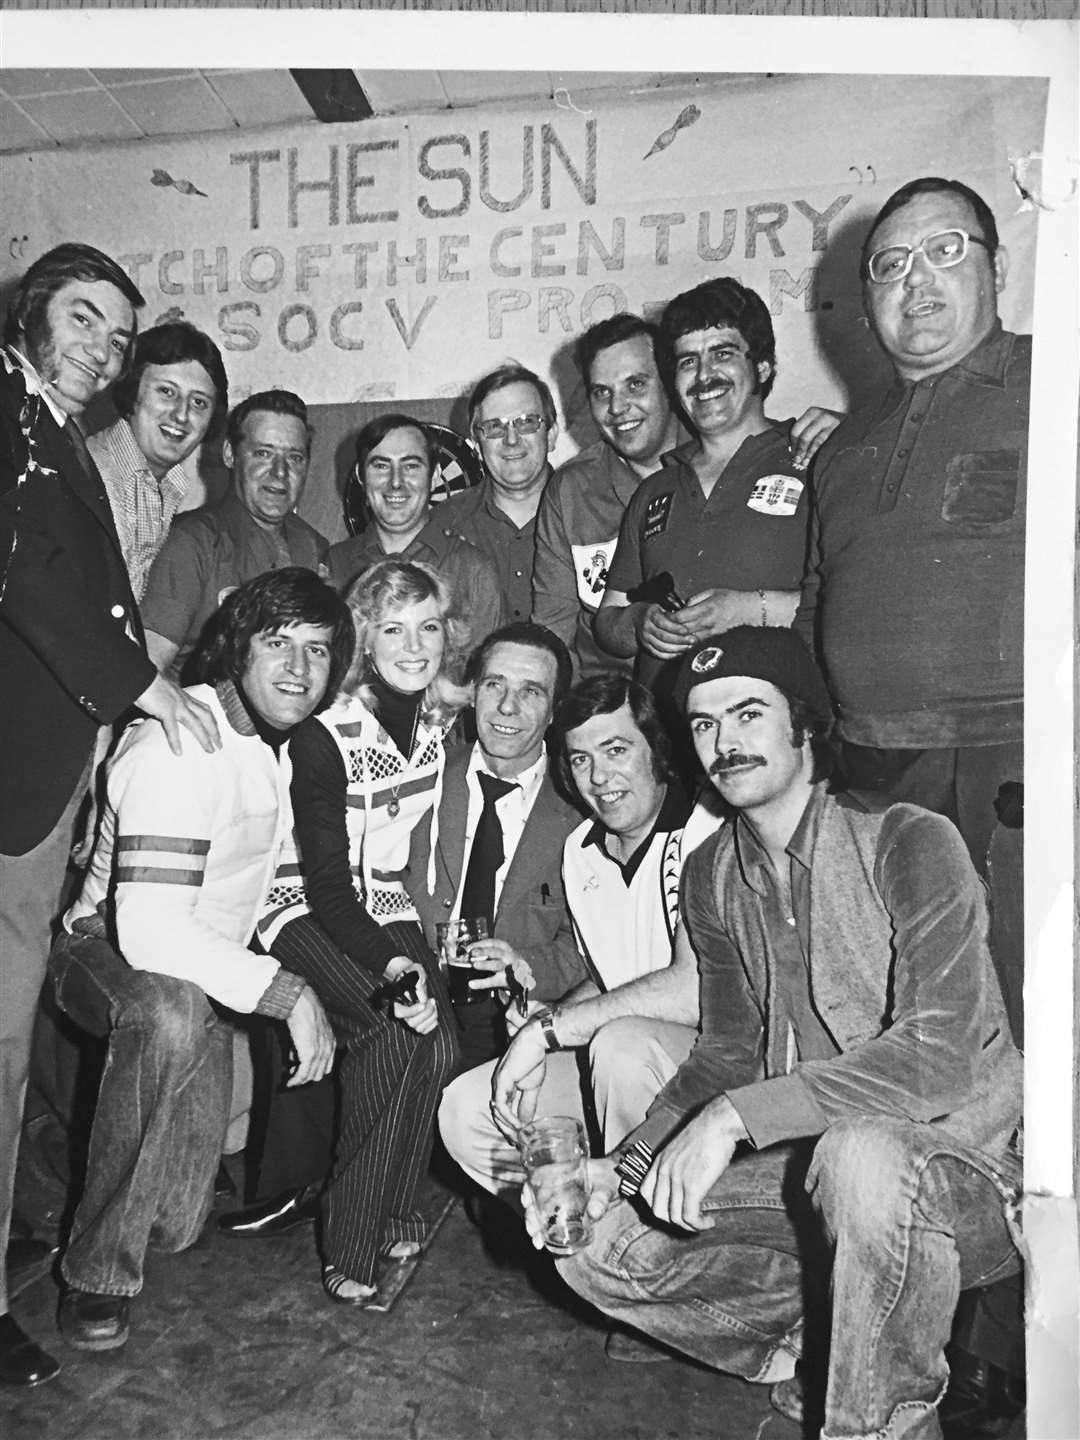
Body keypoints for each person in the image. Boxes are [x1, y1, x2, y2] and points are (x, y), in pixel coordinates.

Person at [521, 627, 1022, 1439]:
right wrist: (626, 1162)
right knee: (591, 1241)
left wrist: (733, 1119)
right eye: (705, 724)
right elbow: (724, 1049)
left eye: (748, 714)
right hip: (810, 1165)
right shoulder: (716, 872)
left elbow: (939, 1055)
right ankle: (816, 1343)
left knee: (858, 1156)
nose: (725, 742)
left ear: (806, 727)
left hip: (969, 1164)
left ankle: (878, 1425)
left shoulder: (908, 839)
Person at [794, 177, 1028, 1434]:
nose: (916, 283)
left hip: (1010, 774)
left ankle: (1004, 1345)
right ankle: (913, 1335)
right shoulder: (847, 446)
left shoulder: (1054, 384)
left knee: (1010, 1066)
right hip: (873, 788)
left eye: (944, 253)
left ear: (994, 263)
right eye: (889, 266)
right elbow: (824, 606)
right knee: (898, 1060)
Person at [0, 242, 219, 1388]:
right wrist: (144, 681)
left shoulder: (52, 433)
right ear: (35, 314)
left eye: (115, 335)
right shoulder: (12, 415)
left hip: (47, 786)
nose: (100, 347)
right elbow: (29, 574)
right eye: (83, 320)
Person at [48, 568, 351, 1352]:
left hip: (195, 975)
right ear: (234, 650)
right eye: (276, 643)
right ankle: (95, 1275)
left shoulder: (270, 745)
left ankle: (101, 1177)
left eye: (317, 650)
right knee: (169, 1011)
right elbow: (148, 933)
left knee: (180, 1224)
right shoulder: (182, 743)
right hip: (104, 953)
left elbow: (270, 886)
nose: (297, 668)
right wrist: (287, 993)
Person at [440, 675, 722, 1244]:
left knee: (620, 1044)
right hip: (628, 1056)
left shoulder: (706, 830)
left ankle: (654, 1250)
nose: (599, 777)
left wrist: (549, 1032)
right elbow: (609, 976)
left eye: (617, 750)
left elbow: (692, 992)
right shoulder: (582, 849)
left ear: (657, 751)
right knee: (469, 1107)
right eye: (580, 759)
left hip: (720, 1066)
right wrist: (546, 1014)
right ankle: (588, 1234)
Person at [253, 560, 464, 1302]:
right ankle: (349, 1233)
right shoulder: (324, 734)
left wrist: (422, 954)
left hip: (383, 905)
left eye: (428, 626)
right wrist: (397, 971)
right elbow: (327, 889)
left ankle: (396, 1202)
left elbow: (407, 863)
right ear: (364, 638)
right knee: (387, 1029)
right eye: (393, 628)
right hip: (298, 906)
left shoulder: (437, 723)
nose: (414, 646)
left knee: (439, 1042)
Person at [594, 279, 837, 688]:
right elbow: (609, 621)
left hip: (780, 731)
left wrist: (749, 610)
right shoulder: (655, 490)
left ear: (762, 366)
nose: (704, 375)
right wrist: (639, 622)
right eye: (687, 361)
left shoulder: (818, 458)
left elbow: (857, 603)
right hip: (669, 739)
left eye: (722, 354)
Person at [406, 621, 587, 1070]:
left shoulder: (583, 807)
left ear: (554, 710)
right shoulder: (420, 775)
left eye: (530, 692)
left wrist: (523, 964)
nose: (507, 706)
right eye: (494, 685)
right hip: (412, 1000)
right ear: (473, 692)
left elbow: (587, 948)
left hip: (514, 1017)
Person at [141, 388, 329, 680]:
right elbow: (147, 672)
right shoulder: (192, 542)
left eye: (294, 458)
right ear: (230, 454)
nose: (279, 472)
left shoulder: (313, 545)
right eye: (263, 453)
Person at [327, 412, 504, 660]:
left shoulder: (472, 570)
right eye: (381, 466)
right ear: (361, 477)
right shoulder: (335, 566)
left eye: (411, 466)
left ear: (433, 478)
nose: (396, 482)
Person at [88, 320, 229, 600]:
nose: (181, 414)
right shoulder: (92, 473)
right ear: (132, 392)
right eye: (167, 392)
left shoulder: (167, 485)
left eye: (199, 402)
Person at [437, 365, 558, 623]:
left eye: (526, 422)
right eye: (494, 427)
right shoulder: (443, 524)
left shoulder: (591, 513)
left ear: (552, 434)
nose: (511, 439)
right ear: (478, 446)